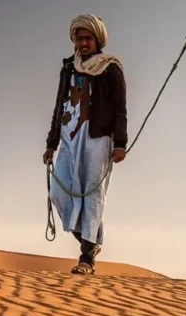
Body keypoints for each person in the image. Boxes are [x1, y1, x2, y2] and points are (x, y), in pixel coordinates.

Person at [43, 14, 128, 275]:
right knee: (58, 193)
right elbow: (59, 105)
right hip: (69, 137)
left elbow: (119, 108)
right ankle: (90, 242)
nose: (82, 43)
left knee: (92, 196)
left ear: (97, 39)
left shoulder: (110, 68)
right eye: (79, 38)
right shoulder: (68, 68)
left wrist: (120, 142)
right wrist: (51, 143)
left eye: (87, 38)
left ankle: (86, 259)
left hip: (98, 137)